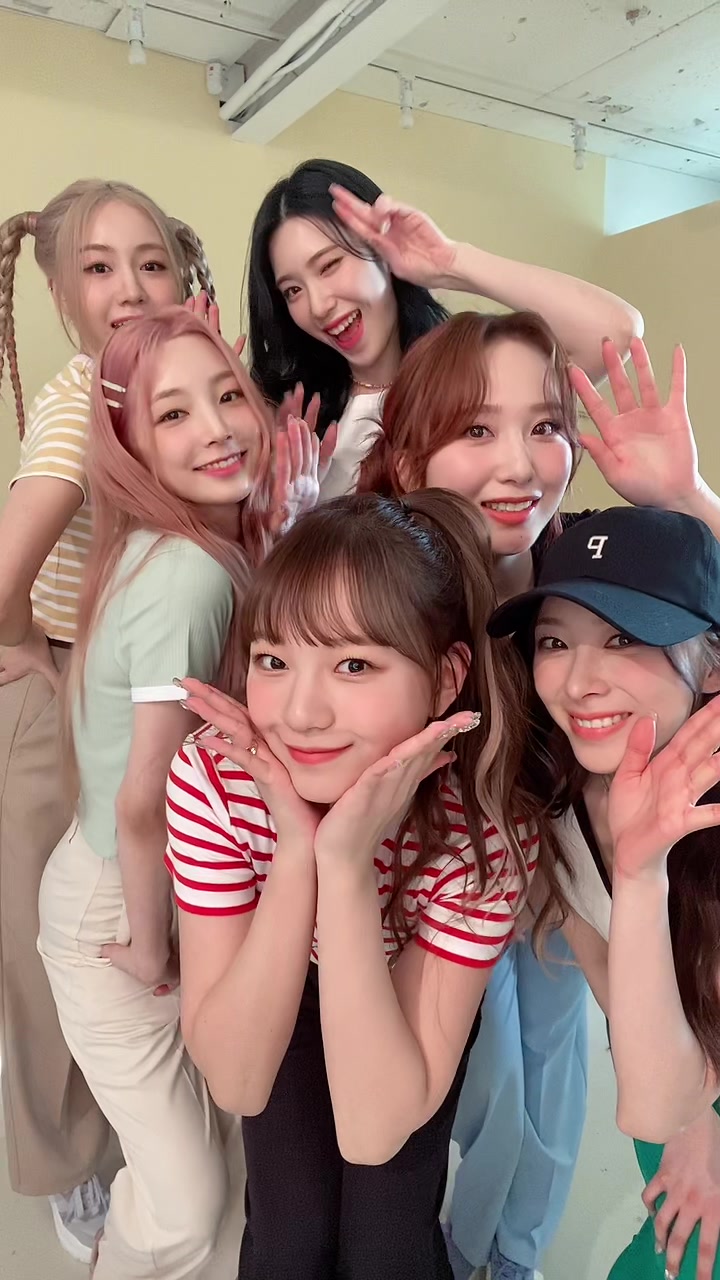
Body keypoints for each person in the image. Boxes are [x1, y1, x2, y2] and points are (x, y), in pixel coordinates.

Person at [356, 317, 720, 1280]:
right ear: (410, 456)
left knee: (550, 1071)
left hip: (565, 858)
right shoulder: (388, 575)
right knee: (498, 1081)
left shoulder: (574, 554)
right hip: (490, 875)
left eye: (544, 425)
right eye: (476, 429)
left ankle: (508, 1252)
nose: (517, 462)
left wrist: (688, 496)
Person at [166, 488, 571, 1280]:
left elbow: (374, 1130)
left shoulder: (484, 825)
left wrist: (347, 870)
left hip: (403, 990)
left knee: (387, 1245)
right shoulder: (218, 777)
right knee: (289, 1237)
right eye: (273, 661)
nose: (300, 713)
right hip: (282, 974)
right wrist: (298, 851)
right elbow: (237, 1081)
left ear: (447, 676)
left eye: (354, 664)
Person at [36, 305, 324, 1279]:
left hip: (161, 880)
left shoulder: (195, 546)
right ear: (128, 444)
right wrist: (152, 941)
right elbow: (141, 800)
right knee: (189, 1202)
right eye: (171, 414)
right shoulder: (186, 573)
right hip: (124, 901)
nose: (216, 428)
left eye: (227, 395)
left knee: (212, 1170)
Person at [0, 178, 214, 1262]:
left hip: (131, 692)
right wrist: (36, 652)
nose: (129, 286)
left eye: (150, 261)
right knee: (54, 963)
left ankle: (130, 1132)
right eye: (97, 267)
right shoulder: (85, 396)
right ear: (57, 292)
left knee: (123, 938)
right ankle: (67, 1167)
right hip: (64, 697)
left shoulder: (160, 385)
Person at [488, 500, 720, 1280]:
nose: (580, 682)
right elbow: (652, 1091)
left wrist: (689, 489)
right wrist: (638, 871)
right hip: (675, 1086)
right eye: (555, 642)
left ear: (712, 664)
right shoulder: (564, 817)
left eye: (623, 637)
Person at [246, 156, 643, 498]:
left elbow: (615, 332)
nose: (319, 306)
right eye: (293, 290)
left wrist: (450, 263)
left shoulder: (471, 376)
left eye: (330, 265)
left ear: (380, 249)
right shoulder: (296, 422)